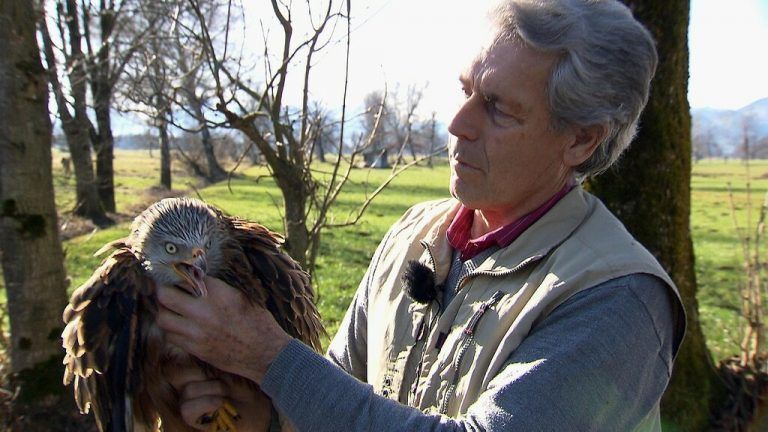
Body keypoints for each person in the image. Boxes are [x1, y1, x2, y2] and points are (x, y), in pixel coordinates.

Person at [156, 0, 686, 430]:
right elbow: (334, 395)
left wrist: (269, 357)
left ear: (581, 140)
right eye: (464, 90)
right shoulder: (414, 234)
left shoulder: (618, 299)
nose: (457, 123)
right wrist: (262, 418)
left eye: (498, 108)